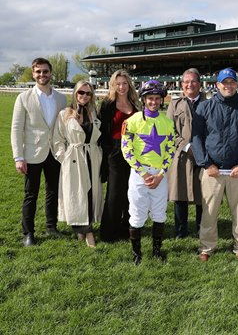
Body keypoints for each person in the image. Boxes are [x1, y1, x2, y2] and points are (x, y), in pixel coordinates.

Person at [192, 68, 238, 261]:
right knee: (209, 212)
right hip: (212, 170)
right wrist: (206, 164)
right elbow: (196, 139)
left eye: (232, 82)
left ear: (237, 85)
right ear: (217, 85)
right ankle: (206, 247)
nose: (228, 86)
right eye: (224, 82)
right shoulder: (205, 107)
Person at [11, 57, 67, 246]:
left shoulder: (61, 98)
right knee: (31, 194)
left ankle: (51, 227)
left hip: (55, 152)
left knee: (53, 192)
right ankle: (28, 233)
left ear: (51, 73)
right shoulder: (23, 98)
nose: (42, 75)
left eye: (45, 71)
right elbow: (16, 128)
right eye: (38, 72)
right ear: (34, 74)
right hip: (32, 154)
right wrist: (19, 157)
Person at [121, 80, 175, 265]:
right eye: (150, 98)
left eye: (157, 98)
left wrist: (161, 174)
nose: (153, 102)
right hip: (139, 175)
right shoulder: (131, 121)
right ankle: (137, 253)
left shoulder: (167, 123)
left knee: (159, 213)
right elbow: (126, 150)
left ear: (161, 100)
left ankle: (157, 250)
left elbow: (170, 150)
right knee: (136, 213)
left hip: (160, 176)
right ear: (144, 100)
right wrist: (143, 174)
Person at [52, 81, 104, 247]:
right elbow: (57, 139)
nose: (84, 96)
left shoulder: (94, 113)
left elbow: (100, 136)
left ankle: (82, 230)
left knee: (89, 194)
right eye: (81, 92)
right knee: (76, 195)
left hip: (92, 157)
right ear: (75, 93)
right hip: (74, 159)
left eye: (88, 93)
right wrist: (64, 157)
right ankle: (88, 233)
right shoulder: (65, 114)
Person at [98, 70, 141, 242]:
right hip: (114, 151)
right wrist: (108, 151)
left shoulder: (136, 104)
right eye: (118, 84)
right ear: (113, 85)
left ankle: (127, 228)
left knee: (131, 191)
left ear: (129, 84)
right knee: (115, 192)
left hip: (134, 151)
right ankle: (109, 232)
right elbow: (102, 130)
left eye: (124, 83)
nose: (121, 87)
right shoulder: (107, 104)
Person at [166, 68, 206, 238]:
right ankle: (180, 231)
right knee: (180, 194)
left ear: (200, 84)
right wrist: (186, 146)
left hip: (204, 156)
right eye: (186, 82)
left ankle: (201, 229)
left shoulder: (209, 103)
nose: (190, 84)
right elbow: (169, 132)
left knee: (203, 196)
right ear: (182, 85)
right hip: (181, 156)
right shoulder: (174, 104)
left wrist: (201, 150)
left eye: (193, 81)